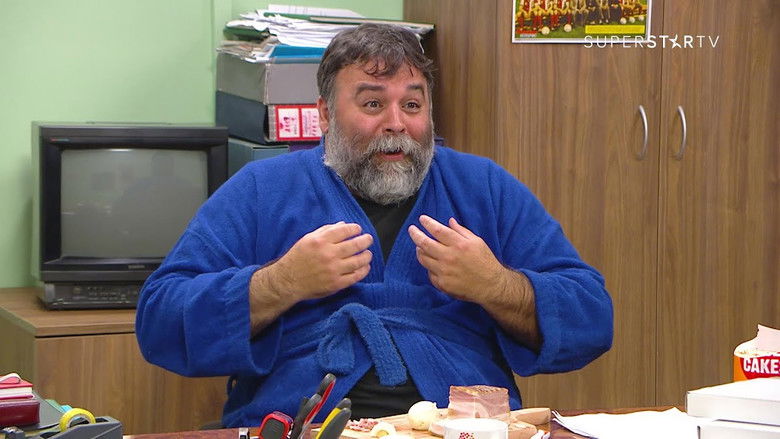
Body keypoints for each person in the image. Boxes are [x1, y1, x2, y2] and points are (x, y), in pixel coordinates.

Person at [135, 23, 613, 428]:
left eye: (412, 105)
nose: (396, 123)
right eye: (371, 104)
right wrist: (280, 283)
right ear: (325, 114)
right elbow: (160, 322)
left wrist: (495, 286)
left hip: (461, 427)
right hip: (304, 423)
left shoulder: (483, 187)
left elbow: (592, 318)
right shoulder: (263, 189)